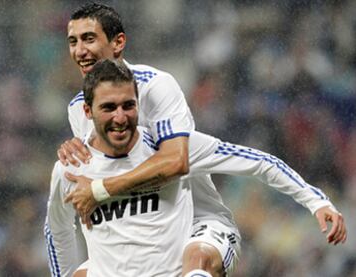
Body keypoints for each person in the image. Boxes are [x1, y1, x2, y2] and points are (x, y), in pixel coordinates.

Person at [46, 60, 346, 277]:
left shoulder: (172, 149)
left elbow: (260, 162)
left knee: (198, 258)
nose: (121, 117)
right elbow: (57, 230)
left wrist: (316, 201)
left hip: (187, 256)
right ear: (88, 111)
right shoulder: (71, 168)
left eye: (129, 105)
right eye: (109, 108)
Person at [51, 3, 234, 277]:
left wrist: (101, 188)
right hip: (140, 234)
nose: (80, 51)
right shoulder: (78, 108)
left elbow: (175, 162)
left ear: (118, 43)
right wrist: (74, 154)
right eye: (73, 42)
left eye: (89, 39)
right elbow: (95, 176)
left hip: (193, 226)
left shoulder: (158, 86)